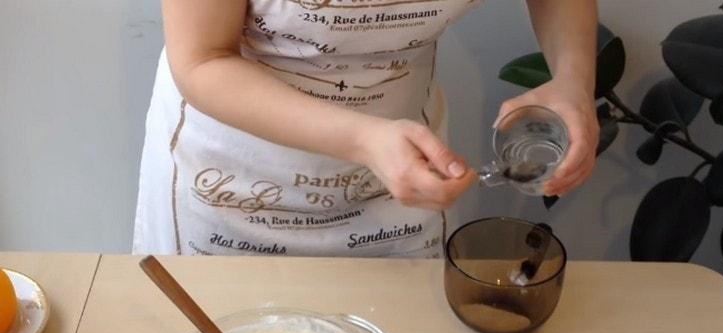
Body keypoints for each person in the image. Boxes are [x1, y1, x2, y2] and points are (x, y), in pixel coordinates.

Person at [132, 0, 599, 258]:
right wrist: (362, 139)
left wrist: (573, 80)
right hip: (237, 181)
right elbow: (202, 58)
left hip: (396, 178)